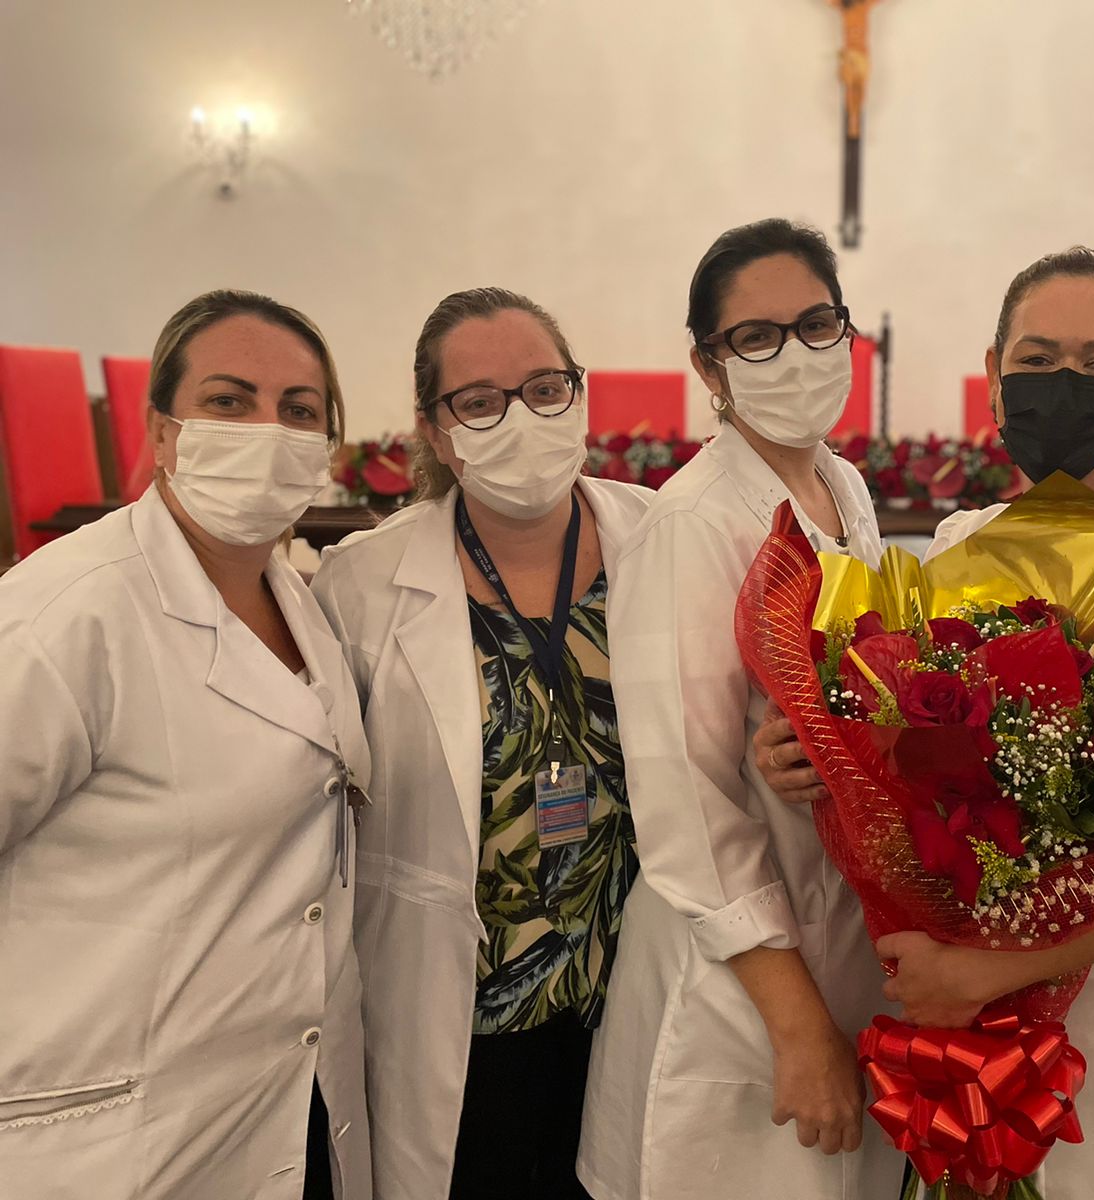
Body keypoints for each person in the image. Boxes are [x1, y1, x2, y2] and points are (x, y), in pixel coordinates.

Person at [756, 247, 1094, 1196]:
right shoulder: (963, 541)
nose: (1065, 384)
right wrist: (812, 752)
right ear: (995, 373)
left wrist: (999, 971)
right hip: (941, 995)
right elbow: (900, 749)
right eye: (1039, 359)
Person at [0, 290, 372, 1199]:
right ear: (163, 432)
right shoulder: (66, 615)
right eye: (228, 401)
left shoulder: (300, 601)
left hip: (277, 1102)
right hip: (105, 1128)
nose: (266, 431)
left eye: (299, 410)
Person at [577, 218, 904, 1200]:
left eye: (815, 324)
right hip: (742, 982)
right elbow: (686, 809)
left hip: (844, 939)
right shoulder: (692, 522)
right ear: (709, 366)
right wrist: (797, 1027)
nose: (795, 355)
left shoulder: (843, 486)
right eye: (757, 338)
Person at [312, 288, 652, 1200]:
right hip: (461, 1009)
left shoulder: (663, 541)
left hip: (632, 988)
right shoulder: (360, 584)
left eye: (544, 388)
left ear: (578, 392)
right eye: (479, 402)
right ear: (434, 426)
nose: (520, 419)